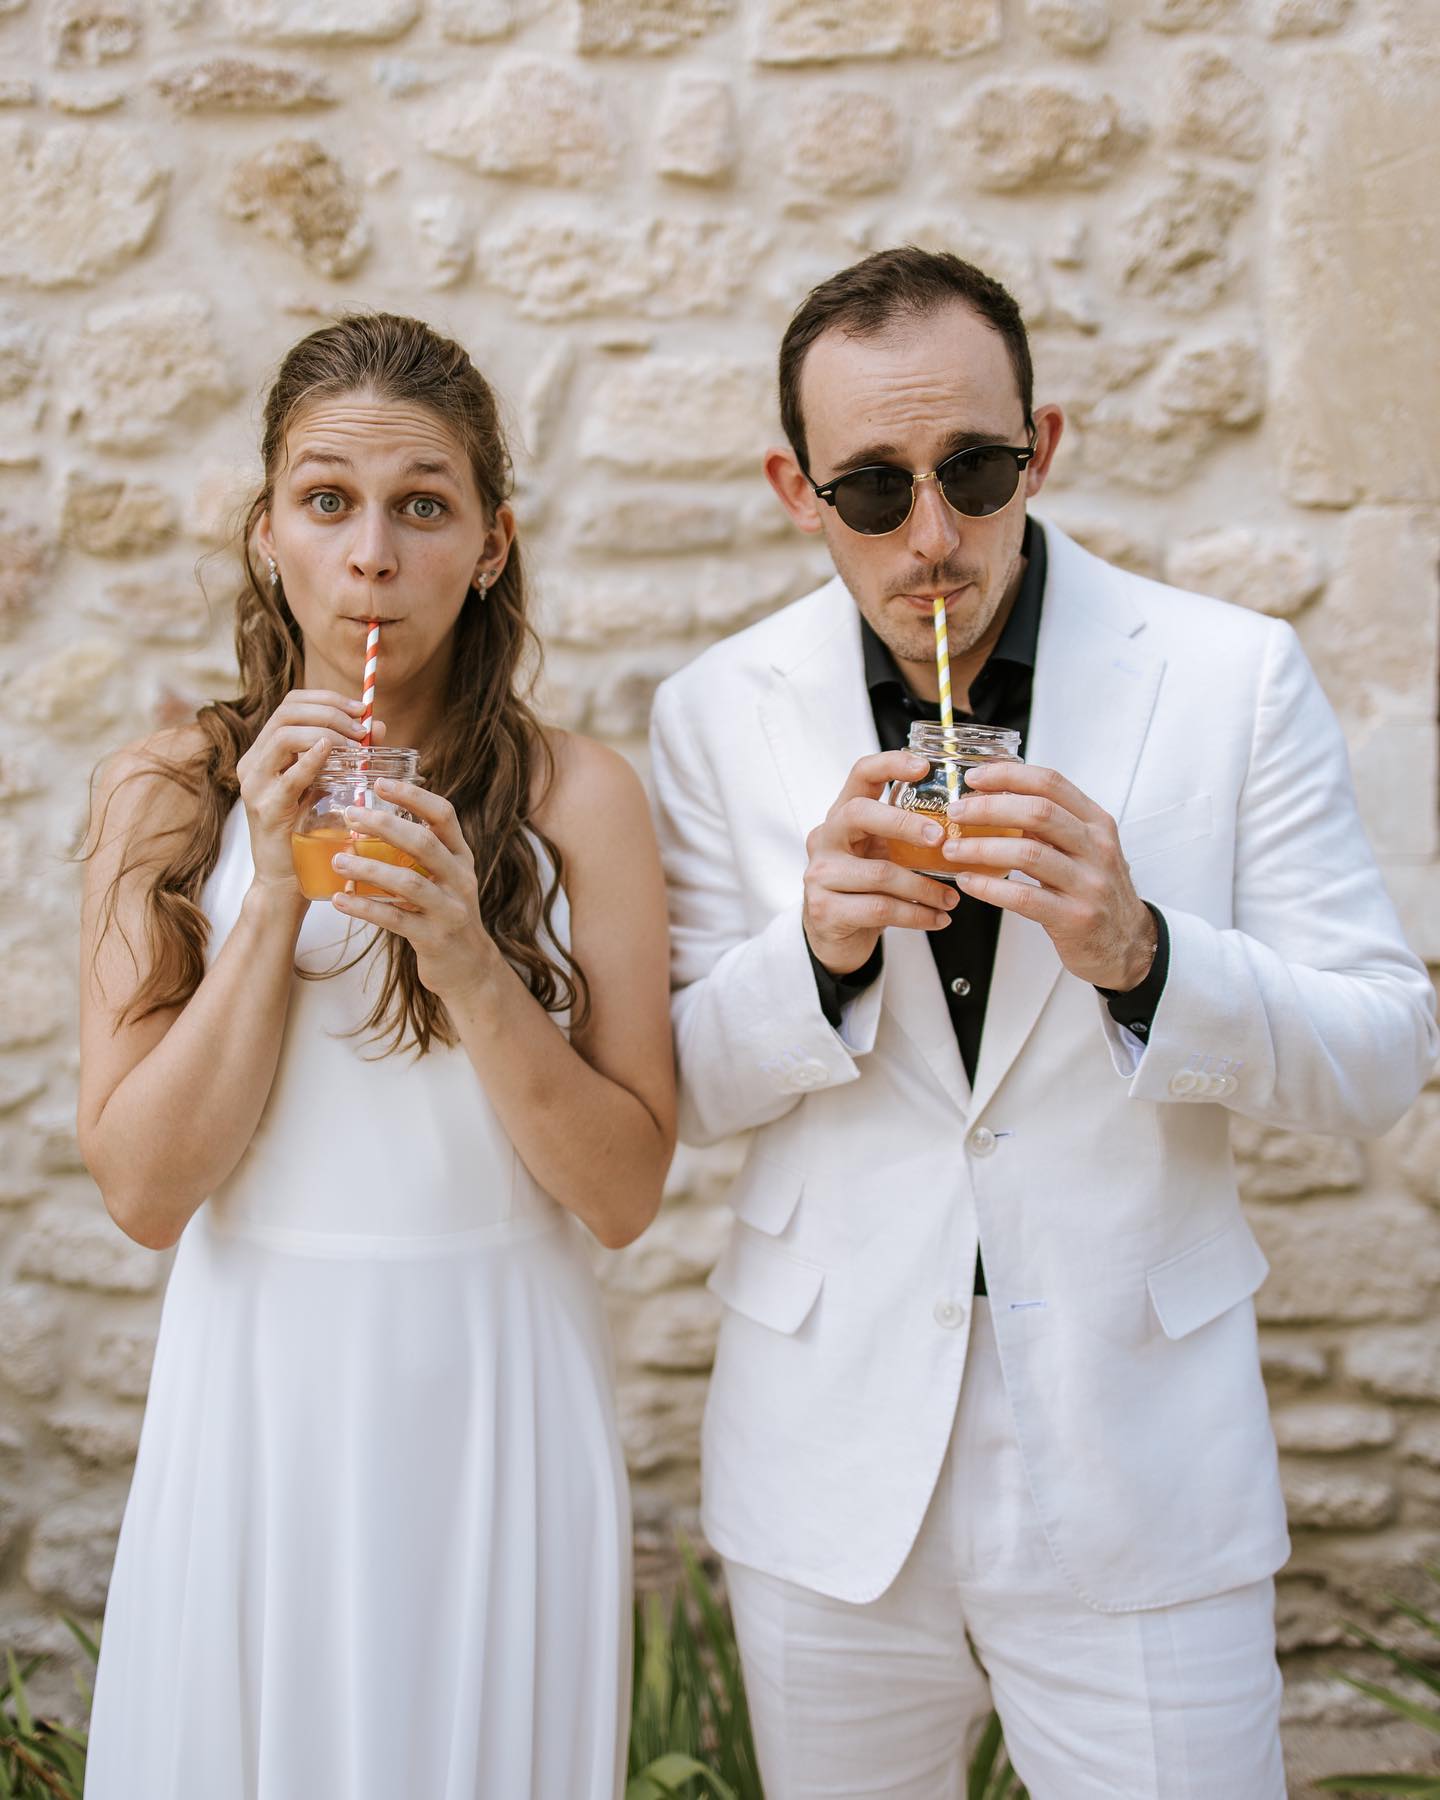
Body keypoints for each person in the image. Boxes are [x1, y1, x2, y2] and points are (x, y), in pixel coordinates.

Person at [648, 247, 1439, 1799]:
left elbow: (1382, 1055)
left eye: (978, 470)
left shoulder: (1231, 675)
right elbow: (675, 1087)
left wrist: (1143, 952)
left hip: (1144, 1451)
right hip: (829, 1464)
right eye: (872, 490)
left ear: (1045, 449)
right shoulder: (711, 709)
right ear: (795, 490)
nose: (932, 536)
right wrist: (814, 953)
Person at [78, 313, 675, 1800]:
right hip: (261, 1382)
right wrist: (277, 891)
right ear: (268, 531)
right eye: (328, 502)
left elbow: (621, 1194)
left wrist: (468, 953)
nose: (372, 555)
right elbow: (148, 1192)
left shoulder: (583, 797)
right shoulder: (164, 790)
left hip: (497, 1385)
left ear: (490, 543)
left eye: (424, 505)